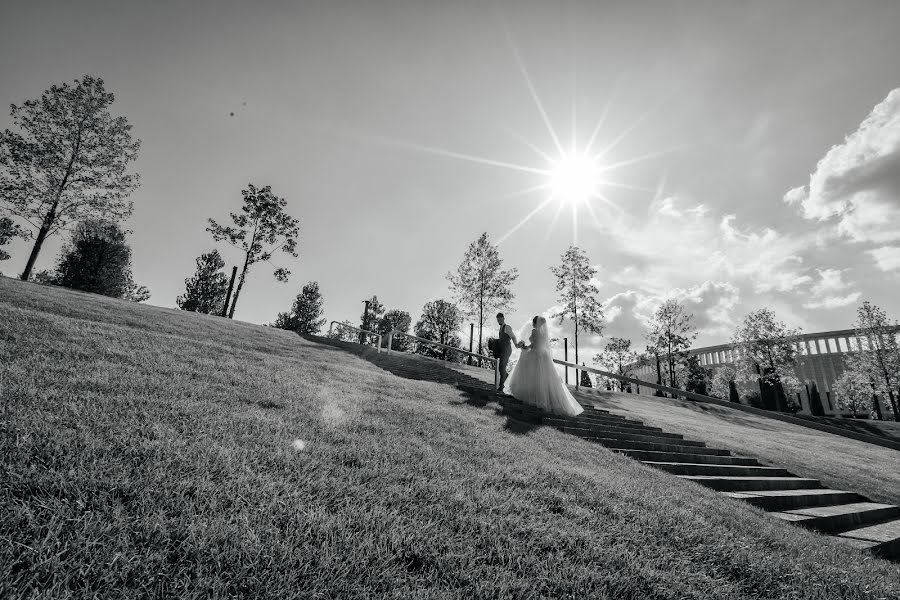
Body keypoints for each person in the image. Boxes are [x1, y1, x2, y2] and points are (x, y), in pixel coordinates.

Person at [507, 316, 584, 417]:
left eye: (533, 322)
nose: (532, 324)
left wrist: (525, 347)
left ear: (536, 323)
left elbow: (533, 345)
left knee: (533, 376)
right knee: (544, 378)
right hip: (544, 356)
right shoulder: (544, 334)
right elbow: (541, 344)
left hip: (535, 355)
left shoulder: (534, 331)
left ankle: (534, 398)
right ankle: (548, 400)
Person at [495, 312, 519, 395]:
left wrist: (516, 344)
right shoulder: (501, 328)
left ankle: (501, 387)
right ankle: (510, 381)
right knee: (501, 368)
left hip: (507, 349)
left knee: (502, 366)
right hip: (502, 350)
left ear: (503, 318)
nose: (499, 320)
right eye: (498, 319)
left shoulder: (507, 327)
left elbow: (513, 336)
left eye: (500, 319)